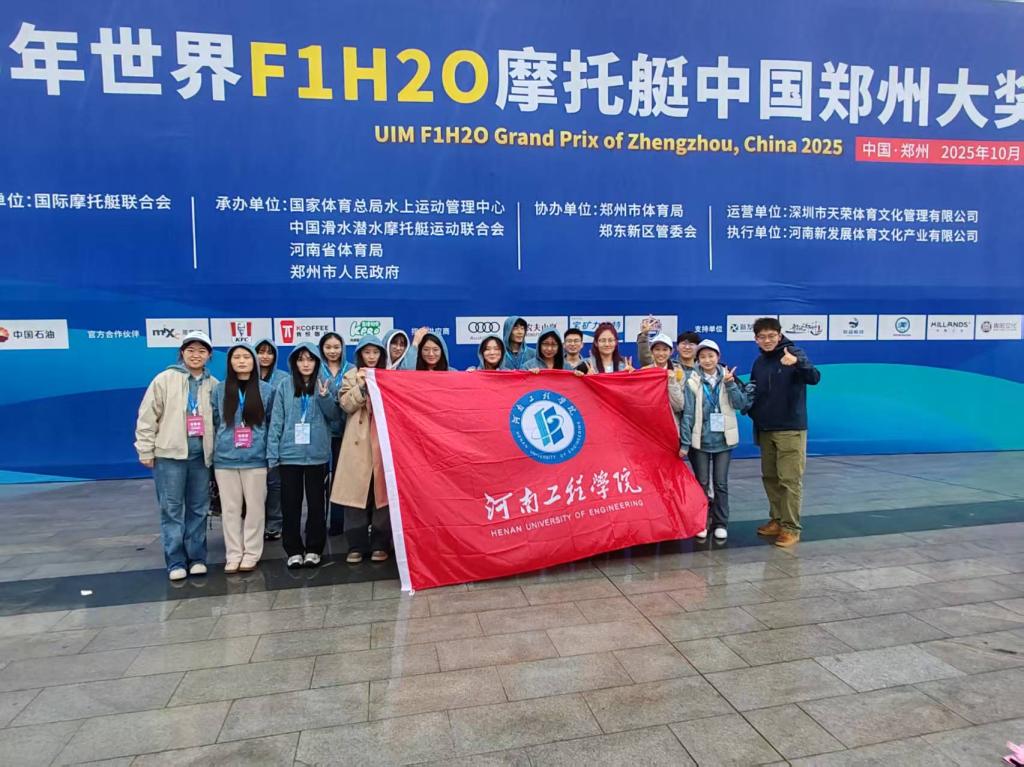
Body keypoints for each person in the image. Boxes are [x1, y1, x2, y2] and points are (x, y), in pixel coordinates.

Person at [134, 331, 216, 581]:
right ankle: (176, 561)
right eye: (190, 350)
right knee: (171, 509)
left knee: (199, 509)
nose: (196, 355)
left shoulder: (214, 384)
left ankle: (197, 558)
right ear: (182, 353)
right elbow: (147, 417)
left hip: (201, 458)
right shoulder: (164, 379)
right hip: (169, 456)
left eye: (201, 351)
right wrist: (145, 449)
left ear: (209, 355)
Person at [747, 317, 821, 548]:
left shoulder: (794, 353)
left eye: (771, 336)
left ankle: (791, 528)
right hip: (765, 429)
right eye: (762, 337)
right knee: (770, 478)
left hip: (790, 429)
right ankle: (777, 520)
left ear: (779, 336)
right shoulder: (759, 362)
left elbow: (814, 377)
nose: (767, 340)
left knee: (789, 480)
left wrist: (798, 363)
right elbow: (755, 393)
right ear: (756, 339)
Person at [268, 343, 340, 568]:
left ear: (317, 362)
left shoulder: (325, 384)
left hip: (317, 456)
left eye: (310, 359)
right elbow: (276, 421)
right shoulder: (284, 385)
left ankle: (314, 549)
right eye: (301, 359)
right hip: (289, 455)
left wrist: (325, 397)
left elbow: (335, 417)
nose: (306, 364)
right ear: (294, 362)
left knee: (317, 505)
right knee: (290, 505)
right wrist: (272, 454)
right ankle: (293, 550)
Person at [680, 340, 750, 542]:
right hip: (700, 441)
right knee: (701, 484)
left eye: (711, 356)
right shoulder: (692, 380)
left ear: (718, 357)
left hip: (723, 441)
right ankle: (702, 522)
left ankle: (720, 523)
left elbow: (740, 404)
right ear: (697, 359)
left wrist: (730, 384)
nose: (707, 360)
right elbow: (688, 414)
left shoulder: (728, 377)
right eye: (703, 357)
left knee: (720, 483)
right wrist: (685, 443)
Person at [211, 344, 274, 572]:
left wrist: (270, 455)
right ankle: (233, 553)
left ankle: (251, 553)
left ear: (254, 361)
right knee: (230, 510)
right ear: (229, 362)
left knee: (255, 509)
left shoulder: (266, 390)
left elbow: (271, 423)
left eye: (246, 356)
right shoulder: (219, 390)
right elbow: (216, 420)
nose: (241, 361)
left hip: (256, 458)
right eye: (236, 357)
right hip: (225, 459)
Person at [332, 336, 392, 563]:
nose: (371, 357)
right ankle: (355, 545)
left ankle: (380, 544)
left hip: (383, 443)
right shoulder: (350, 375)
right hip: (357, 445)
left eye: (375, 352)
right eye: (367, 352)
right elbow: (346, 404)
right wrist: (362, 386)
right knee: (355, 497)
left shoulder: (390, 376)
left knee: (382, 497)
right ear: (360, 355)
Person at [255, 338, 288, 541]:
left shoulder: (283, 378)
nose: (265, 356)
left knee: (275, 483)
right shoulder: (245, 376)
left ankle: (274, 524)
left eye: (269, 352)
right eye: (261, 352)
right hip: (250, 440)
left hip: (276, 437)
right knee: (253, 485)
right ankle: (254, 524)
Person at [318, 332, 349, 536]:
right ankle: (318, 523)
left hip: (345, 434)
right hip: (320, 432)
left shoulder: (352, 369)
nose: (332, 351)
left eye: (336, 347)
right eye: (328, 347)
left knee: (340, 480)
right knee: (318, 481)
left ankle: (338, 523)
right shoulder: (316, 369)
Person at [644, 333, 686, 429]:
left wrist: (672, 382)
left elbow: (679, 406)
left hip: (671, 426)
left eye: (665, 350)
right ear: (651, 351)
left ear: (671, 352)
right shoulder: (645, 372)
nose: (661, 353)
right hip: (649, 426)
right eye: (657, 349)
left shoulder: (678, 373)